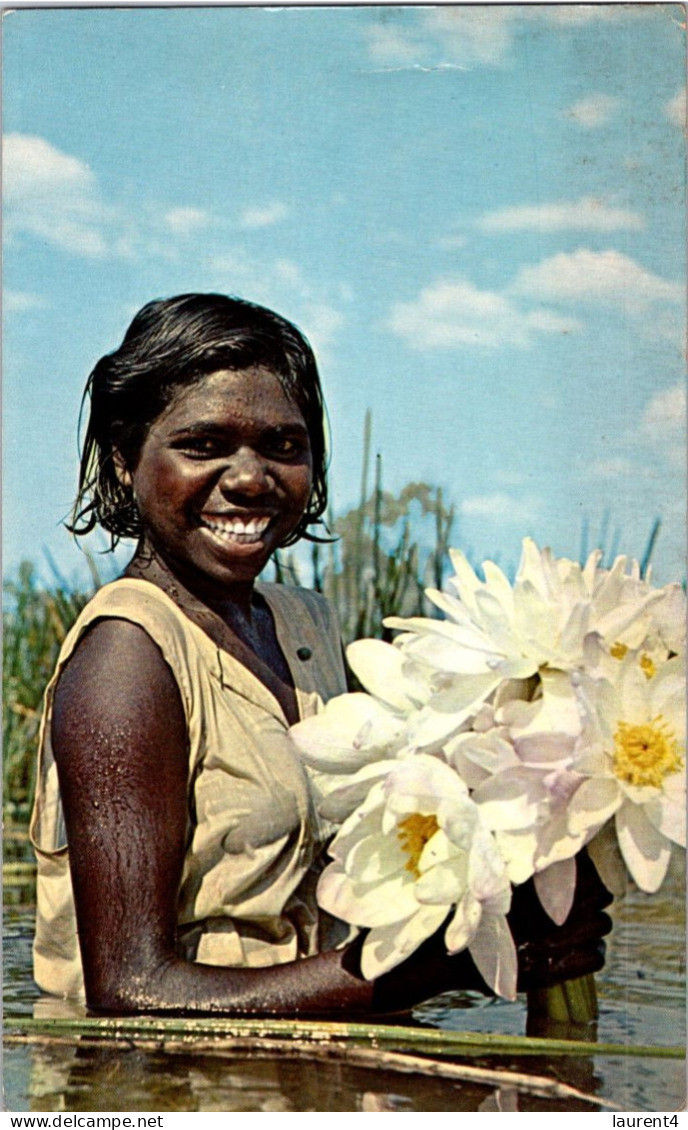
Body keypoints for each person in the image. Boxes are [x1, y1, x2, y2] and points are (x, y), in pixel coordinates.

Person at [30, 293, 611, 1016]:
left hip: (310, 1062)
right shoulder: (129, 657)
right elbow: (133, 991)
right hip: (173, 1085)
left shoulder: (308, 626)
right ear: (124, 461)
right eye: (204, 445)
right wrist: (436, 969)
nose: (250, 477)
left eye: (283, 446)